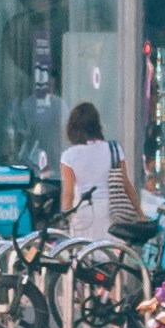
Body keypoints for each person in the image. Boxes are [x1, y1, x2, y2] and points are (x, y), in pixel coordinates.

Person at [57, 100, 134, 249]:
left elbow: (68, 195)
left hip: (83, 211)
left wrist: (65, 218)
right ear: (97, 125)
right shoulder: (114, 149)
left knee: (85, 257)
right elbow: (125, 183)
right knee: (110, 256)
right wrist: (139, 212)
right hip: (111, 210)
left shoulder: (69, 156)